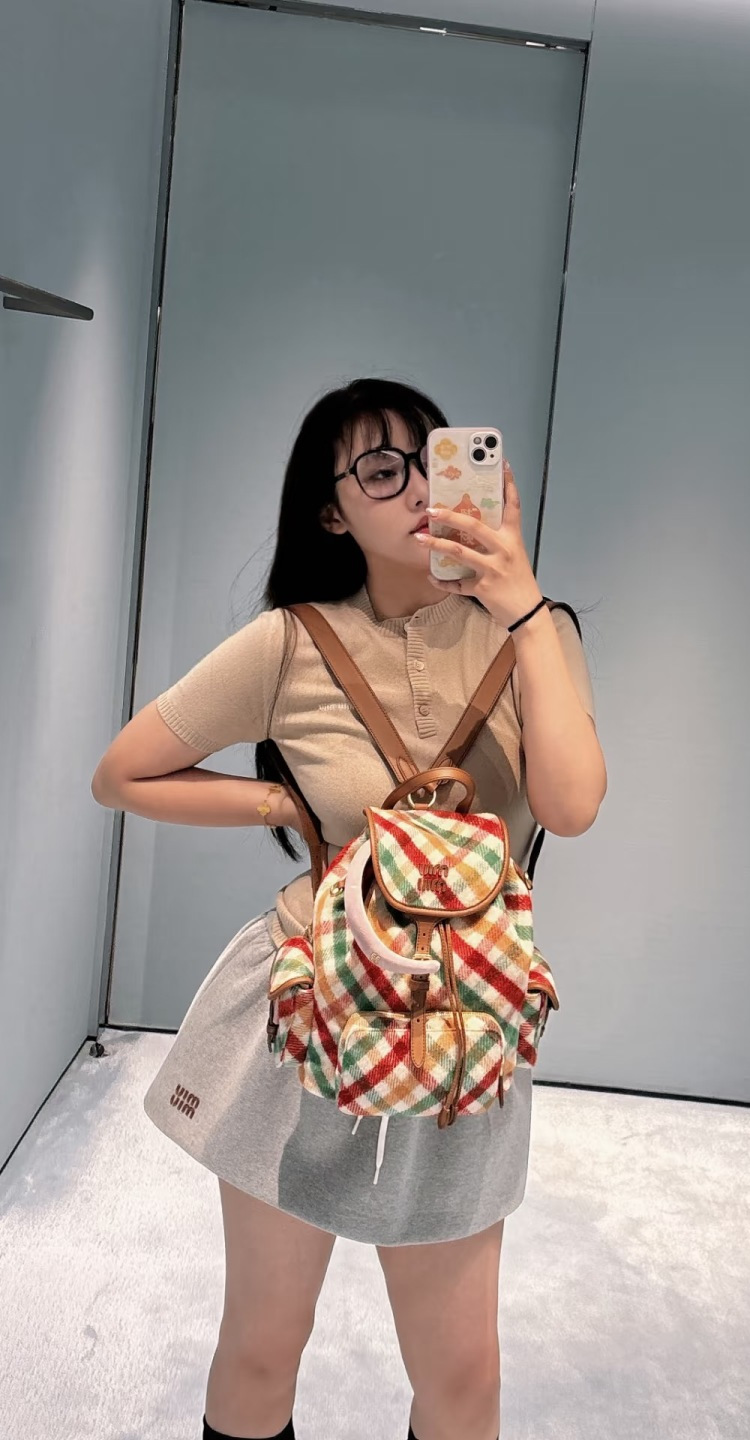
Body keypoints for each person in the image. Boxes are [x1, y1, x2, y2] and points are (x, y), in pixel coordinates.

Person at [90, 378, 607, 1440]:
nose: (417, 486)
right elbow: (122, 774)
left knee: (464, 1377)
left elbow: (571, 806)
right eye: (381, 469)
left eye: (433, 459)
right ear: (332, 512)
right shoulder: (291, 642)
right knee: (265, 1343)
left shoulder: (535, 634)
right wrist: (283, 803)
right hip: (308, 1005)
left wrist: (524, 607)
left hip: (463, 1026)